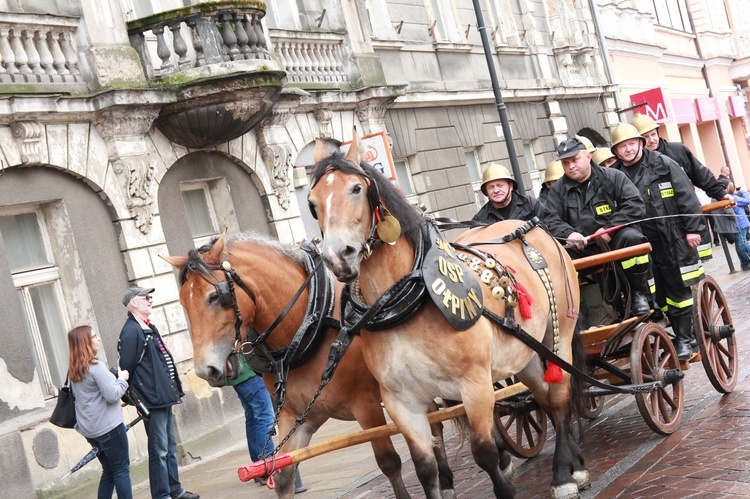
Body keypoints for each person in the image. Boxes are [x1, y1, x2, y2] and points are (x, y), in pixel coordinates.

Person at [610, 123, 705, 360]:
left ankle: (686, 339)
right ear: (616, 152)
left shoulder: (664, 164)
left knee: (678, 288)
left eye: (632, 144)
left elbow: (687, 196)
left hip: (673, 238)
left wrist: (693, 229)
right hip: (642, 243)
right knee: (657, 292)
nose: (628, 150)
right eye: (623, 147)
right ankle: (676, 333)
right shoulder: (614, 176)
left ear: (640, 143)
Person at [543, 137, 652, 317]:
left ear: (588, 156)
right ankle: (572, 310)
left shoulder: (613, 177)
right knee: (556, 257)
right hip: (583, 247)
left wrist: (610, 228)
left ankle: (638, 294)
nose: (571, 166)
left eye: (575, 160)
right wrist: (569, 233)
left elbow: (635, 205)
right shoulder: (557, 190)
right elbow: (549, 220)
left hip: (615, 239)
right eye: (566, 163)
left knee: (632, 239)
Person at [118, 287, 199, 499]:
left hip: (162, 396)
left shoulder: (147, 327)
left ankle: (175, 491)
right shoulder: (131, 331)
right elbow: (126, 368)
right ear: (133, 303)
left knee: (170, 448)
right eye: (145, 297)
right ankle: (162, 495)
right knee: (159, 450)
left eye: (150, 296)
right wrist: (127, 395)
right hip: (152, 400)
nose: (150, 300)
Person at [631, 113, 733, 260]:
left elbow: (701, 174)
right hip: (657, 230)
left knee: (693, 269)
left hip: (688, 222)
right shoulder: (633, 165)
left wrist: (721, 194)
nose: (652, 140)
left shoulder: (677, 151)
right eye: (646, 137)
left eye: (653, 134)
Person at [226, 354, 307, 493]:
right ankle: (269, 466)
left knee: (252, 417)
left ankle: (260, 467)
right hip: (249, 370)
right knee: (264, 416)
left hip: (238, 374)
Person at [68, 325, 132, 499]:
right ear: (85, 342)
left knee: (109, 471)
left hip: (90, 430)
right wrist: (122, 379)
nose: (98, 339)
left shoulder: (74, 369)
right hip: (109, 429)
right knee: (121, 470)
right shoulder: (96, 366)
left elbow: (90, 397)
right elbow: (112, 395)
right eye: (94, 336)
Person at [472, 162, 544, 224]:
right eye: (491, 187)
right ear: (486, 191)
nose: (496, 190)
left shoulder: (531, 205)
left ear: (510, 186)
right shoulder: (480, 220)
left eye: (500, 185)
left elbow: (551, 228)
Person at [727, 182, 750, 270]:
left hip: (739, 223)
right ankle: (745, 263)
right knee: (742, 243)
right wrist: (743, 192)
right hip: (741, 223)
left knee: (741, 243)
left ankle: (744, 263)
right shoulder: (735, 198)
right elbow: (748, 201)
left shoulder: (731, 197)